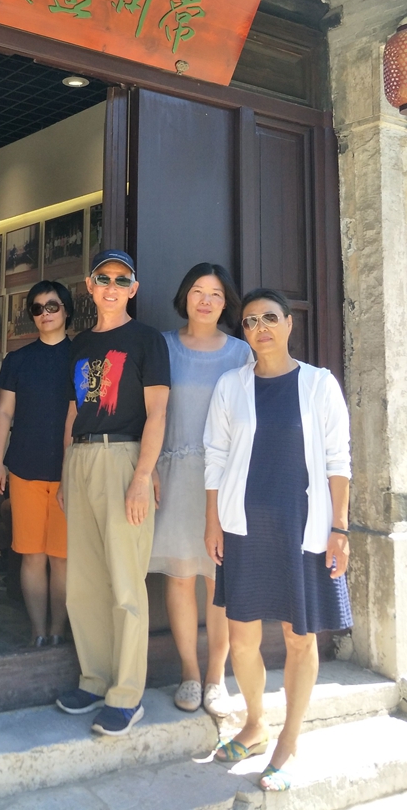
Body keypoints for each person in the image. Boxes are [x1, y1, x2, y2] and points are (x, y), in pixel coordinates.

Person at [204, 288, 352, 791]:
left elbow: (338, 460)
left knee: (298, 637)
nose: (260, 328)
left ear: (289, 323)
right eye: (250, 321)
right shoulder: (231, 385)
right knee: (242, 637)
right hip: (243, 525)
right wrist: (212, 522)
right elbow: (215, 456)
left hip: (302, 525)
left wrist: (340, 529)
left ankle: (289, 740)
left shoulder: (319, 384)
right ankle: (254, 724)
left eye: (270, 317)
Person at [55, 250, 170, 736]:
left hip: (123, 457)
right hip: (81, 457)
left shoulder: (147, 340)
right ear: (90, 285)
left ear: (133, 289)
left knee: (125, 582)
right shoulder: (80, 344)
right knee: (83, 581)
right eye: (104, 278)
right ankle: (95, 678)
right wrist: (66, 468)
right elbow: (73, 409)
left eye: (122, 280)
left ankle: (126, 695)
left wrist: (142, 476)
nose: (112, 287)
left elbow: (158, 412)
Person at [148, 263, 252, 716]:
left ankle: (216, 678)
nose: (206, 300)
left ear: (226, 302)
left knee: (218, 580)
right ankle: (189, 674)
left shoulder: (241, 353)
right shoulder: (163, 347)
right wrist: (146, 468)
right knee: (180, 577)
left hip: (226, 482)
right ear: (184, 296)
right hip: (174, 474)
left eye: (215, 293)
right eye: (197, 291)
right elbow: (148, 412)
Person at [0, 281, 74, 646]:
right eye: (37, 308)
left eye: (52, 306)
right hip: (24, 467)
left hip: (69, 472)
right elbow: (4, 412)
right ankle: (38, 631)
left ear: (66, 310)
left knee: (62, 559)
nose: (45, 313)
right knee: (31, 555)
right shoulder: (18, 360)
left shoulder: (82, 357)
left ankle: (58, 631)